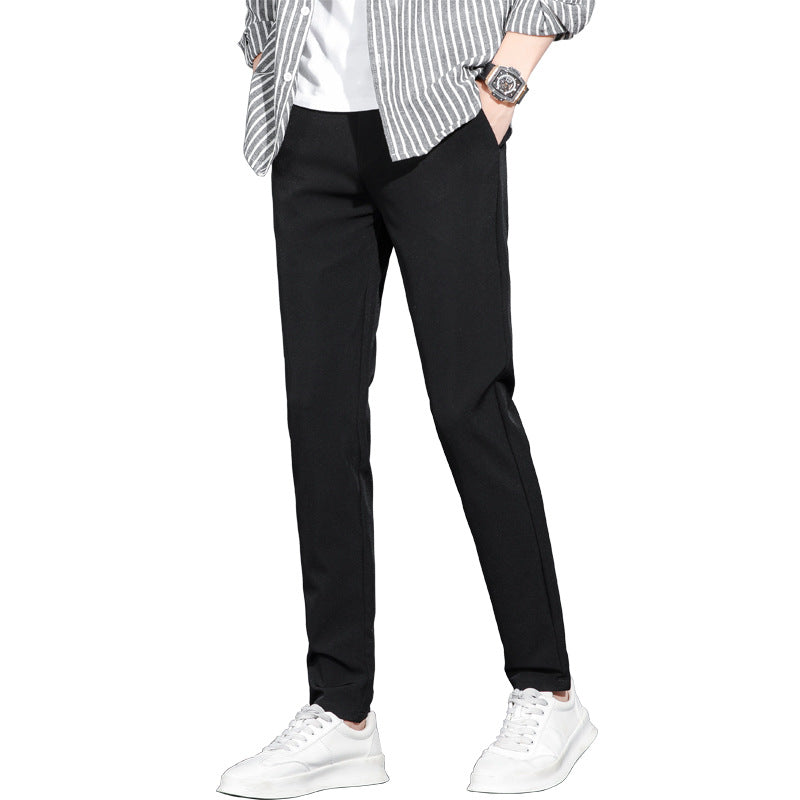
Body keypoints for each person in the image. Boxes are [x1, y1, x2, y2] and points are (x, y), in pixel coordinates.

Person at [219, 2, 596, 797]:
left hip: (442, 116)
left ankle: (548, 689)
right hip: (307, 130)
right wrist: (263, 47)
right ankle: (342, 710)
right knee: (320, 416)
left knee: (469, 405)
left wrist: (505, 82)